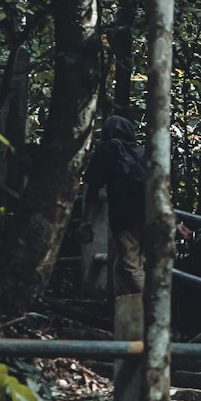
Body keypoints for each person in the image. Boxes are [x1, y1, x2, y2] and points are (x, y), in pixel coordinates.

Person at [84, 115, 146, 296]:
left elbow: (92, 186)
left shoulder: (108, 149)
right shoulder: (142, 152)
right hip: (150, 214)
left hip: (125, 216)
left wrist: (87, 221)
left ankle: (153, 310)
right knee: (122, 268)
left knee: (130, 266)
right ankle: (128, 317)